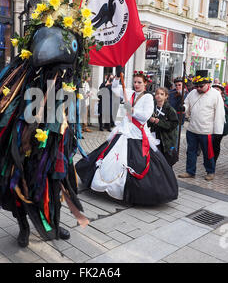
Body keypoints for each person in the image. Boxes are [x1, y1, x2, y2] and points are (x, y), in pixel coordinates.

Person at [0, 0, 94, 248]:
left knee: (57, 179)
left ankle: (56, 225)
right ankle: (23, 227)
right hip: (24, 135)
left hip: (56, 139)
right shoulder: (23, 79)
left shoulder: (67, 86)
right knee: (16, 179)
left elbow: (68, 108)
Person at [75, 68, 178, 206]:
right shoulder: (129, 92)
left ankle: (132, 191)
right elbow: (116, 90)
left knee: (136, 161)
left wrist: (132, 110)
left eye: (139, 82)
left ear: (145, 83)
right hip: (124, 130)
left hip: (137, 134)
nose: (136, 84)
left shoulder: (148, 97)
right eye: (135, 82)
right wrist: (118, 77)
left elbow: (145, 116)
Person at [178, 71, 225, 181]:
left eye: (200, 86)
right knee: (191, 151)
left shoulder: (216, 95)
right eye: (196, 86)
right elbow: (187, 103)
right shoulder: (192, 93)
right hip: (192, 128)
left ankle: (210, 171)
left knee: (208, 153)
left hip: (207, 131)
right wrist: (183, 108)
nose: (198, 88)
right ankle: (190, 171)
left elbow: (219, 114)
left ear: (208, 84)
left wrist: (218, 131)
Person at [148, 87, 179, 166]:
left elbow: (173, 124)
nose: (159, 96)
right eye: (157, 94)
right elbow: (147, 122)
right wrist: (150, 121)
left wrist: (159, 122)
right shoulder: (151, 107)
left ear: (166, 96)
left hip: (166, 139)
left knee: (166, 162)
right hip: (154, 136)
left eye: (162, 94)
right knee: (155, 160)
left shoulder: (170, 110)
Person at [169, 77, 188, 148]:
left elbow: (185, 104)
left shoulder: (186, 94)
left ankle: (174, 152)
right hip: (170, 118)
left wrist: (181, 94)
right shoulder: (171, 92)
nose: (177, 87)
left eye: (179, 85)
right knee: (169, 136)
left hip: (179, 119)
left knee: (176, 137)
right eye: (176, 85)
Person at [211, 82, 228, 165]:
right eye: (213, 89)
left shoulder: (226, 100)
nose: (215, 91)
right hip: (209, 125)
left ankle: (214, 160)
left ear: (221, 91)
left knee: (216, 144)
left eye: (217, 90)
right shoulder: (209, 98)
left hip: (221, 126)